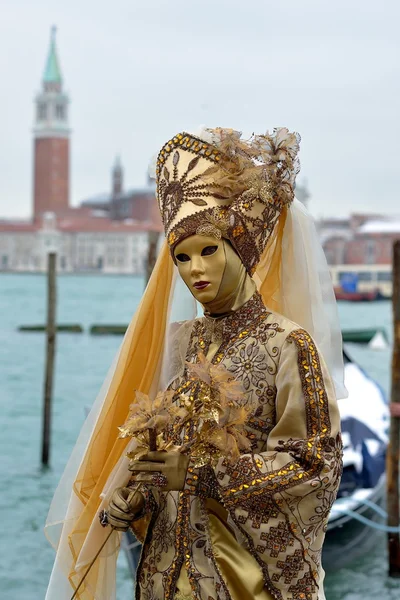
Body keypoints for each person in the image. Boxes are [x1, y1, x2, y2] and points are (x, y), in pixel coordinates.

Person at [45, 127, 346, 600]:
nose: (194, 271)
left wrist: (204, 476)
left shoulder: (288, 345)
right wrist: (137, 498)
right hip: (165, 577)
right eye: (181, 257)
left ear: (240, 250)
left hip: (244, 579)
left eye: (208, 250)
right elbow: (162, 454)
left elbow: (316, 466)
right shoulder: (178, 343)